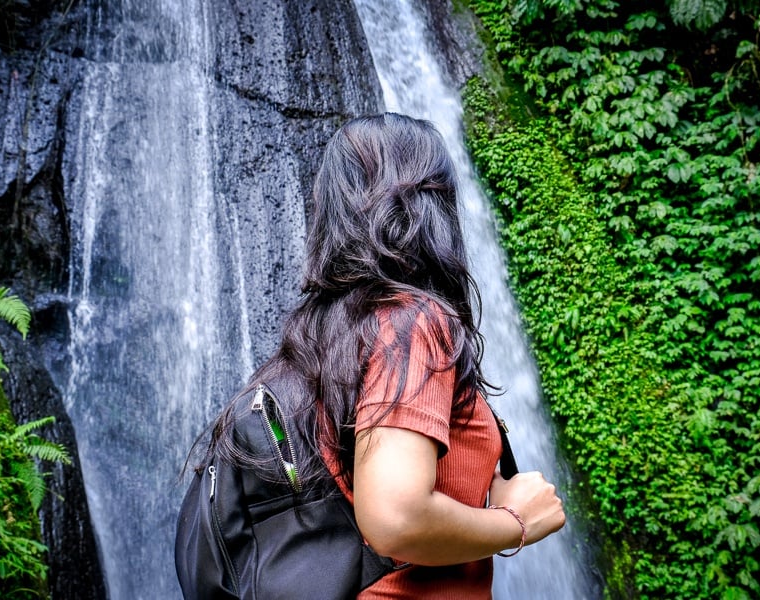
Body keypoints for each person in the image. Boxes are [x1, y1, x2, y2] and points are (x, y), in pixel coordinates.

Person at [213, 112, 566, 598]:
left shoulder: (327, 333)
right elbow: (395, 518)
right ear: (428, 206)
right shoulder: (411, 322)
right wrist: (515, 521)